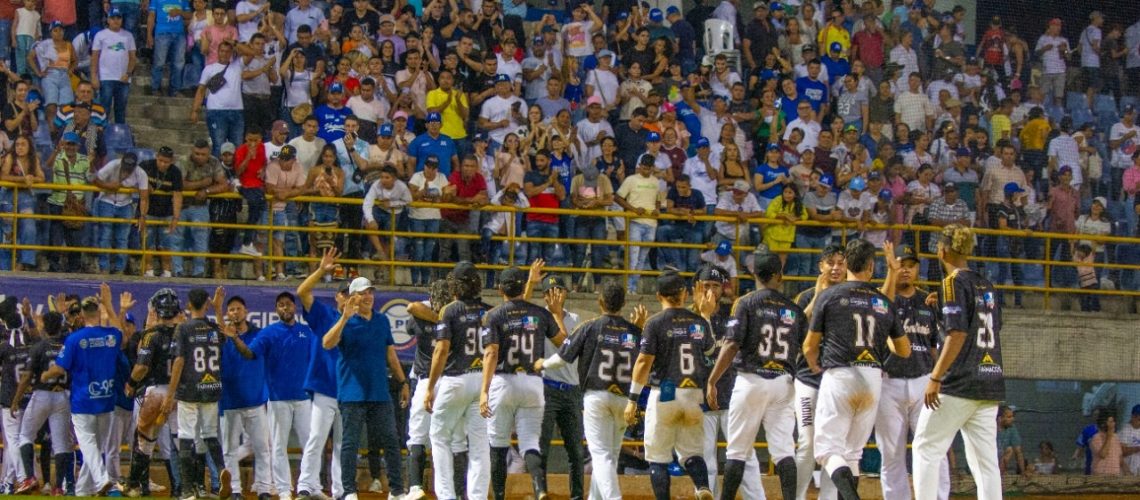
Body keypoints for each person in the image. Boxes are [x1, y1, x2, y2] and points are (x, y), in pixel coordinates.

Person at [803, 238, 910, 499]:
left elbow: (809, 345)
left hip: (840, 373)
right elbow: (904, 350)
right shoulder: (883, 302)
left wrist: (814, 364)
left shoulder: (829, 296)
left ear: (847, 263)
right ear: (872, 266)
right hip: (872, 377)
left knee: (827, 451)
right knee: (852, 454)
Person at [913, 224, 1005, 500]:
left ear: (941, 250)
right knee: (985, 463)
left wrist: (935, 377)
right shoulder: (986, 284)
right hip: (990, 380)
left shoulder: (952, 282)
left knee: (926, 448)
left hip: (958, 383)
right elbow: (988, 326)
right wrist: (942, 307)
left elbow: (957, 333)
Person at [707, 252, 800, 500]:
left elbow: (731, 345)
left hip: (752, 379)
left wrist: (712, 379)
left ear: (753, 274)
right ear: (779, 276)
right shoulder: (793, 308)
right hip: (783, 381)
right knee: (784, 451)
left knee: (736, 451)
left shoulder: (745, 302)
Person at [538, 282, 644, 500]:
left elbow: (562, 358)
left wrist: (542, 364)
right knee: (610, 456)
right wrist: (637, 329)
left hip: (597, 396)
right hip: (624, 399)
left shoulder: (589, 326)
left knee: (601, 455)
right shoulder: (635, 331)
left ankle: (614, 497)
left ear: (600, 301)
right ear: (624, 304)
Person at [623, 270, 718, 500]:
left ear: (658, 296)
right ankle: (703, 487)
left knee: (658, 457)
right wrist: (705, 316)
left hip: (664, 392)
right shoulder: (697, 322)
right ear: (684, 294)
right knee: (692, 454)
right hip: (693, 393)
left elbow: (643, 362)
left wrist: (632, 400)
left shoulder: (654, 323)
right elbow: (710, 351)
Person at [478, 267, 567, 500]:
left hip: (503, 382)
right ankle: (540, 489)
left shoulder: (494, 315)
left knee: (498, 444)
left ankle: (498, 496)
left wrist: (484, 392)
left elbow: (491, 354)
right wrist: (546, 363)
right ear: (523, 287)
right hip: (533, 383)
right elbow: (564, 346)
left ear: (500, 289)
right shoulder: (540, 313)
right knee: (530, 444)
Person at [320, 276, 410, 500]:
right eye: (363, 293)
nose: (368, 296)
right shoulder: (344, 321)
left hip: (380, 393)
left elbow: (390, 353)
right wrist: (344, 318)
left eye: (370, 292)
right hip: (352, 394)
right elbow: (327, 343)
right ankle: (349, 491)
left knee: (391, 439)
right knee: (350, 444)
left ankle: (397, 490)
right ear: (353, 297)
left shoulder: (381, 321)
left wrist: (402, 382)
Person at [875, 244, 950, 500]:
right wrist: (891, 276)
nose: (905, 270)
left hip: (923, 383)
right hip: (888, 382)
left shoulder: (928, 300)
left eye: (910, 265)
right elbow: (879, 310)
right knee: (891, 453)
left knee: (932, 447)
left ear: (918, 268)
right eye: (900, 264)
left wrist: (938, 379)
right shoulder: (883, 297)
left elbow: (934, 346)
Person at [41, 286, 128, 496]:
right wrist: (109, 304)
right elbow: (123, 336)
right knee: (95, 448)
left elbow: (60, 367)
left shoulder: (75, 339)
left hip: (82, 400)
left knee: (88, 445)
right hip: (106, 399)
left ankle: (102, 479)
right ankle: (82, 490)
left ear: (81, 313)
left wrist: (45, 375)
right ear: (98, 312)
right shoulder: (110, 335)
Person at [423, 262, 492, 500]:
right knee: (481, 445)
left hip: (456, 380)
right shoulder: (488, 311)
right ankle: (477, 496)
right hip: (481, 381)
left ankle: (446, 495)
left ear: (455, 286)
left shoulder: (450, 310)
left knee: (440, 437)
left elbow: (441, 350)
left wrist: (430, 387)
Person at [165, 288, 240, 500]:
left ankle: (188, 490)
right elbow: (225, 334)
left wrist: (171, 393)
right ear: (206, 304)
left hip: (189, 389)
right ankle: (220, 468)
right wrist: (218, 309)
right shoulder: (214, 328)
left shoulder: (183, 328)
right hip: (212, 388)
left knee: (186, 437)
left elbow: (178, 361)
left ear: (188, 304)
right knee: (210, 435)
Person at [296, 248, 347, 500]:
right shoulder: (326, 314)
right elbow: (302, 292)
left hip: (349, 391)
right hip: (325, 387)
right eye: (346, 294)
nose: (350, 299)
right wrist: (320, 270)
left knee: (342, 445)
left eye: (355, 295)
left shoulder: (363, 321)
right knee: (316, 438)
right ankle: (306, 486)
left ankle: (340, 491)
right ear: (338, 296)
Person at [213, 293, 272, 500]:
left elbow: (249, 353)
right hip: (229, 401)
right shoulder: (222, 336)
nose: (235, 312)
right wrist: (218, 310)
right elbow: (222, 330)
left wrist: (234, 336)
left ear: (246, 311)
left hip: (255, 400)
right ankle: (235, 490)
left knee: (262, 448)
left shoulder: (259, 334)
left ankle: (264, 488)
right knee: (229, 450)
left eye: (238, 308)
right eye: (231, 309)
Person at [11, 310, 72, 496]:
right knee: (61, 444)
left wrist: (16, 400)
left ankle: (30, 477)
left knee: (25, 436)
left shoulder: (39, 346)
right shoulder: (67, 345)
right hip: (63, 395)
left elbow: (27, 376)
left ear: (44, 327)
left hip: (42, 394)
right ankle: (59, 487)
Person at [92, 8, 137, 124]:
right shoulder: (100, 35)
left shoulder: (128, 36)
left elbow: (132, 57)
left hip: (123, 79)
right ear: (108, 19)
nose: (116, 21)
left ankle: (120, 137)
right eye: (113, 18)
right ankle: (101, 135)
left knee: (120, 110)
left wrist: (128, 74)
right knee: (104, 109)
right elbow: (95, 57)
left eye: (118, 18)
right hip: (106, 77)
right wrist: (94, 76)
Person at [998, 405, 1028, 475]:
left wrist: (1023, 471)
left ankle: (1000, 473)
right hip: (987, 459)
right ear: (1000, 418)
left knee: (1009, 449)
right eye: (1009, 417)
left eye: (1013, 416)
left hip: (999, 459)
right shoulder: (991, 428)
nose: (1012, 419)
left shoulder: (1012, 428)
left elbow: (1018, 451)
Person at [1120, 405, 1140, 475]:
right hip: (1127, 472)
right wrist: (1138, 448)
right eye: (1139, 419)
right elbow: (1122, 451)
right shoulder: (1125, 430)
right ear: (1133, 417)